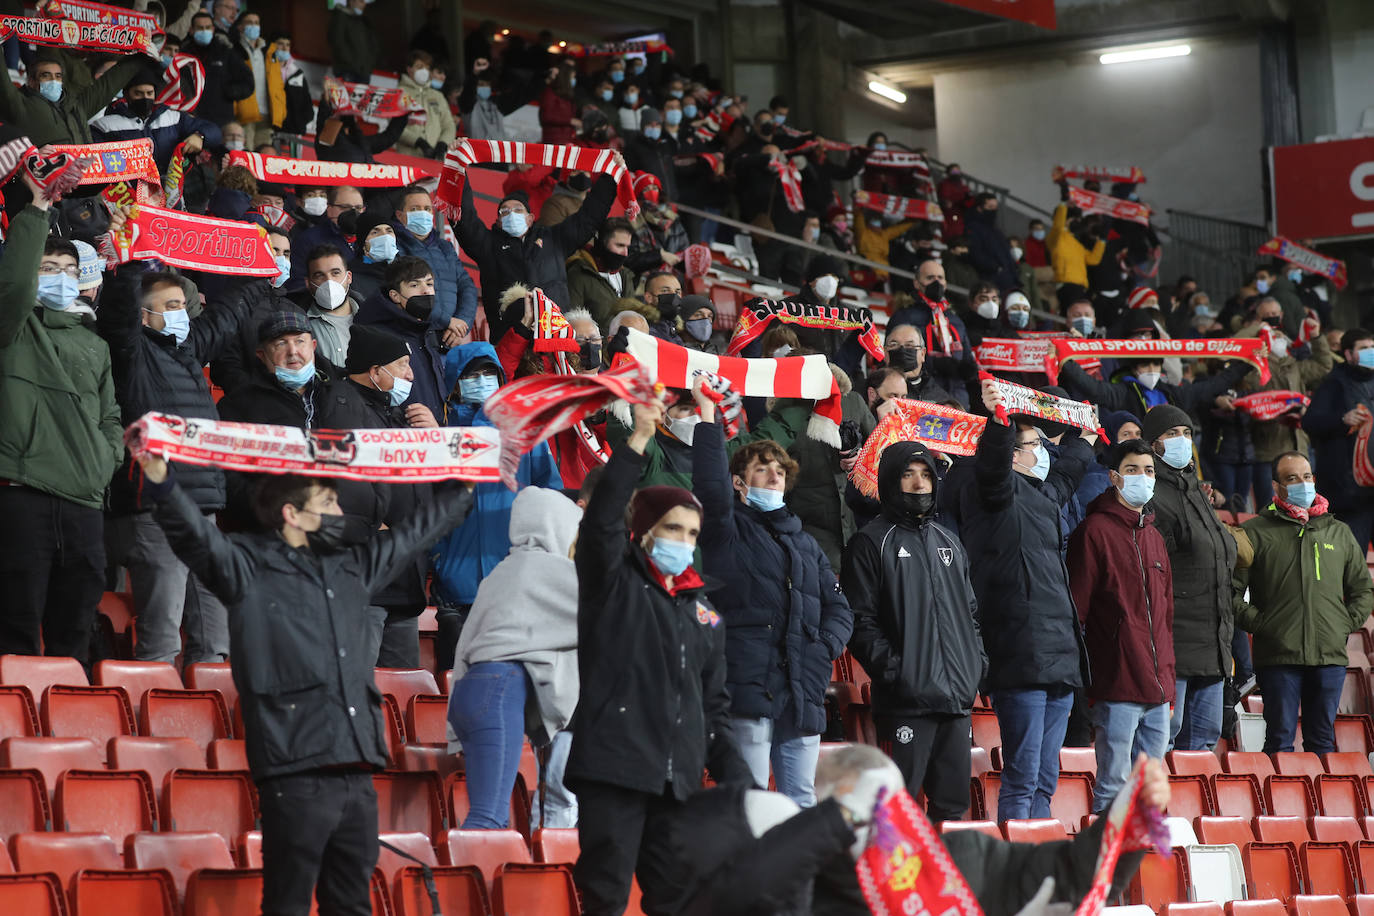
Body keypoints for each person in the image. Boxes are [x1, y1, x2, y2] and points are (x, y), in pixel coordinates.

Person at [131, 450, 474, 916]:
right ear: (292, 514)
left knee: (352, 904)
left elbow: (417, 534)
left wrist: (466, 482)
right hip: (294, 770)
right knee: (288, 905)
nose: (339, 514)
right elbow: (195, 539)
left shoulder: (352, 567)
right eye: (328, 504)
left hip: (356, 770)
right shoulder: (247, 566)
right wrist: (160, 480)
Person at [568, 395, 753, 916]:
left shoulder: (704, 613)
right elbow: (602, 522)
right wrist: (637, 442)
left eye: (691, 533)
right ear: (644, 531)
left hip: (678, 782)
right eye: (673, 528)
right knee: (605, 900)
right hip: (614, 773)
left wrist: (739, 779)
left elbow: (713, 705)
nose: (685, 541)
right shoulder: (611, 581)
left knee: (676, 901)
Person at [691, 379, 853, 807]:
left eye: (780, 470)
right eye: (761, 469)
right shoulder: (726, 529)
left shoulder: (804, 542)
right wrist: (707, 418)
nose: (773, 475)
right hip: (748, 686)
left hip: (803, 686)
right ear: (739, 483)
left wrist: (824, 646)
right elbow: (708, 485)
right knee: (751, 798)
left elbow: (840, 607)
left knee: (801, 797)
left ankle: (797, 876)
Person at [98, 259, 250, 666]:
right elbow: (115, 314)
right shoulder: (130, 352)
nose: (181, 313)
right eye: (169, 305)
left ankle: (205, 723)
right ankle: (151, 722)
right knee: (162, 636)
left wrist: (260, 276)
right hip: (156, 510)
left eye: (183, 303)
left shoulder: (185, 354)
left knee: (215, 644)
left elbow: (227, 316)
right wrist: (129, 268)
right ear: (142, 314)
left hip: (202, 511)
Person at [809, 746, 1168, 916]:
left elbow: (1071, 874)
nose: (879, 832)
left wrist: (1131, 812)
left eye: (891, 813)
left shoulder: (961, 860)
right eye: (853, 815)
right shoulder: (803, 896)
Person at [0, 178, 122, 665]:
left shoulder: (94, 341)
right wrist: (35, 209)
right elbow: (12, 286)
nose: (61, 277)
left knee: (76, 625)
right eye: (49, 268)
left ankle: (71, 721)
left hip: (84, 498)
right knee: (16, 623)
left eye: (70, 270)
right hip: (22, 490)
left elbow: (111, 415)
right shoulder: (11, 325)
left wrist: (102, 459)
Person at [961, 378, 1094, 820]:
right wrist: (1000, 423)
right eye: (1035, 444)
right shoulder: (993, 494)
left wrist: (1087, 436)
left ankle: (1037, 858)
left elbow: (1067, 475)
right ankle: (1014, 866)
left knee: (1045, 776)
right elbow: (992, 466)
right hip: (1019, 656)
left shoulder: (1042, 499)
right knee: (1021, 775)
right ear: (1012, 454)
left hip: (1059, 656)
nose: (1043, 453)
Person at [842, 441, 984, 822]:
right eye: (908, 474)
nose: (920, 483)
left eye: (926, 474)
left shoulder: (949, 540)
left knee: (952, 811)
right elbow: (860, 621)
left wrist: (975, 666)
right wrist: (900, 673)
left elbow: (969, 613)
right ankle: (895, 883)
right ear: (890, 480)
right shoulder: (870, 542)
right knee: (897, 812)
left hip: (955, 701)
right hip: (907, 702)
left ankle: (940, 884)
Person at [448, 487, 582, 829]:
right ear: (558, 525)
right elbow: (606, 616)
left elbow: (465, 641)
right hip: (499, 693)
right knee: (488, 817)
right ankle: (460, 882)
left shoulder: (502, 570)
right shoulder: (553, 570)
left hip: (470, 692)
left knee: (492, 815)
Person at [431, 342, 563, 670]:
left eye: (489, 373)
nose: (482, 380)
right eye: (472, 374)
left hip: (514, 580)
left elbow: (550, 497)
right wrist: (437, 561)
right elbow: (423, 503)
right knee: (457, 683)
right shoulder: (439, 433)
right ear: (454, 381)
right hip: (456, 585)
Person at [1235, 452, 1374, 755]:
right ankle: (1277, 805)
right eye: (1292, 478)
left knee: (1323, 743)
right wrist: (1263, 625)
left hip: (1329, 657)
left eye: (1307, 476)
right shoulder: (1255, 532)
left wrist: (1342, 625)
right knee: (1279, 742)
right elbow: (1231, 594)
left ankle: (1319, 805)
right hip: (1278, 658)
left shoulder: (1339, 532)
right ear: (1276, 487)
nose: (1303, 483)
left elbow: (1363, 590)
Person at [316, 325, 438, 667]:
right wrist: (371, 527)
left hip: (402, 577)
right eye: (401, 365)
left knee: (402, 695)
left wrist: (434, 438)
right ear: (375, 371)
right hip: (367, 579)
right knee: (359, 686)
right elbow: (341, 478)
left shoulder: (398, 415)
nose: (410, 374)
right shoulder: (342, 405)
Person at [1067, 440, 1174, 812]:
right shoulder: (1093, 532)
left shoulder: (1155, 537)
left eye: (1148, 471)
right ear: (1114, 477)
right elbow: (1076, 612)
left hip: (1158, 689)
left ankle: (1142, 867)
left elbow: (1165, 616)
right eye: (1132, 470)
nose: (1142, 478)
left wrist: (1169, 680)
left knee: (1149, 795)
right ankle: (1106, 867)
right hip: (1116, 683)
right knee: (1112, 786)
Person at [1135, 405, 1239, 752]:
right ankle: (1154, 808)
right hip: (1174, 645)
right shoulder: (1151, 494)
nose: (1182, 441)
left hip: (1211, 645)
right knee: (1161, 742)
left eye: (1187, 433)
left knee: (1203, 745)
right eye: (1171, 434)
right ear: (1152, 444)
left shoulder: (1195, 490)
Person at [457, 168, 620, 345]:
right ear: (498, 221)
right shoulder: (487, 245)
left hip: (556, 340)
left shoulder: (554, 239)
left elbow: (588, 218)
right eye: (504, 212)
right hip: (508, 341)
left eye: (518, 210)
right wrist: (457, 171)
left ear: (530, 218)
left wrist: (610, 177)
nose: (511, 214)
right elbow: (465, 220)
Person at [1303, 328, 1374, 554]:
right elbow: (1310, 422)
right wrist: (1342, 420)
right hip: (1349, 495)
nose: (1371, 352)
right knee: (1353, 560)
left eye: (1372, 347)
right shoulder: (1333, 384)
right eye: (1364, 349)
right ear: (1348, 354)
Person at [354, 256, 449, 418]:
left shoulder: (426, 332)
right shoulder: (378, 336)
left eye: (429, 283)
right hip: (399, 437)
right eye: (414, 285)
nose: (425, 291)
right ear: (395, 295)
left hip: (432, 436)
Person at [0, 49, 145, 147]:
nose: (53, 80)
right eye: (46, 75)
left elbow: (108, 84)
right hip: (47, 187)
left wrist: (141, 56)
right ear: (31, 81)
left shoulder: (75, 105)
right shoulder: (21, 106)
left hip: (86, 183)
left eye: (58, 76)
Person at [90, 68, 222, 173]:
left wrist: (200, 136)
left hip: (168, 193)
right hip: (126, 197)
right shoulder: (105, 125)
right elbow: (95, 162)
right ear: (126, 94)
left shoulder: (172, 118)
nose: (145, 98)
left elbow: (215, 132)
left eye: (149, 93)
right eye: (138, 93)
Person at [391, 185, 476, 347]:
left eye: (427, 209)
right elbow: (404, 296)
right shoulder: (395, 247)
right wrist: (447, 321)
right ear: (400, 215)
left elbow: (467, 287)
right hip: (415, 338)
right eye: (415, 209)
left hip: (451, 339)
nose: (423, 213)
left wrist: (461, 325)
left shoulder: (445, 247)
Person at [291, 244, 362, 371]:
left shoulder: (370, 317)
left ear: (349, 277)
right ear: (308, 283)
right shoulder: (296, 323)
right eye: (319, 275)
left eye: (335, 273)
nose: (329, 281)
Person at [185, 10, 255, 129]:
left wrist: (229, 92)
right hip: (190, 119)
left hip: (221, 121)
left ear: (213, 29)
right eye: (200, 28)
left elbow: (248, 81)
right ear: (191, 30)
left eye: (207, 27)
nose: (204, 31)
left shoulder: (225, 52)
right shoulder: (183, 54)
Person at [566, 218, 636, 330]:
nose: (625, 253)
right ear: (601, 244)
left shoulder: (625, 275)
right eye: (620, 245)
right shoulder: (578, 274)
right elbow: (572, 322)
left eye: (628, 247)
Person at [290, 186, 364, 288]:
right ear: (329, 209)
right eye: (345, 207)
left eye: (359, 208)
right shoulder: (308, 240)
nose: (353, 213)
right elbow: (297, 282)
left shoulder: (370, 237)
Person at [396, 50, 456, 159]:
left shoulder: (438, 96)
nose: (424, 71)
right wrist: (418, 141)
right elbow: (394, 128)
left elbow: (449, 125)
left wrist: (443, 144)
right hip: (407, 158)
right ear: (409, 69)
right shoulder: (398, 93)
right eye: (419, 67)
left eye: (427, 68)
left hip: (435, 160)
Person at [328, 0, 381, 83]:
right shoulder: (340, 17)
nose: (363, 5)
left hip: (364, 73)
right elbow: (337, 42)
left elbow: (373, 45)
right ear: (351, 1)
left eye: (364, 2)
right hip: (346, 72)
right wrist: (351, 63)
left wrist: (368, 65)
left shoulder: (364, 21)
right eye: (360, 1)